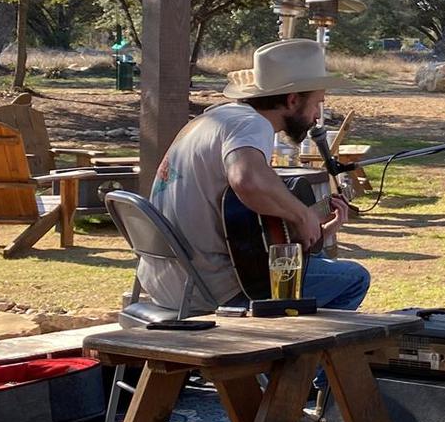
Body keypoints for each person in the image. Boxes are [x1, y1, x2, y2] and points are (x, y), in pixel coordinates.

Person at [140, 39, 368, 313]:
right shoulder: (252, 124)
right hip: (214, 290)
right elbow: (246, 179)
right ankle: (288, 353)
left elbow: (242, 230)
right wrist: (302, 215)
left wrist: (313, 230)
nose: (318, 115)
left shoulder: (213, 120)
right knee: (354, 279)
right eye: (316, 103)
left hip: (166, 283)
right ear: (292, 99)